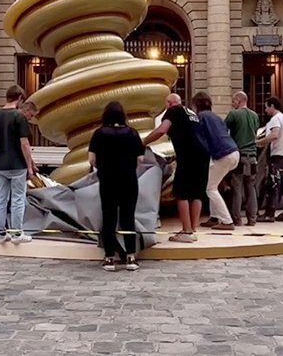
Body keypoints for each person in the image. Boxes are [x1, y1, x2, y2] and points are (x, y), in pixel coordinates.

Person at [88, 101, 145, 272]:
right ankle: (130, 257)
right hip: (128, 179)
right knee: (128, 217)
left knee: (109, 217)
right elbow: (140, 159)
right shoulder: (133, 133)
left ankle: (109, 257)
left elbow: (91, 159)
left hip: (107, 180)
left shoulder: (98, 134)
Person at [145, 93, 209, 243]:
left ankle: (186, 231)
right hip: (204, 154)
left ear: (168, 103)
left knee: (181, 192)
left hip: (188, 155)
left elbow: (162, 129)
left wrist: (143, 142)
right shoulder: (191, 113)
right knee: (197, 193)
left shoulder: (173, 110)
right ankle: (192, 229)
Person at [0, 85, 38, 244]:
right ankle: (17, 234)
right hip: (17, 165)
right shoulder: (19, 117)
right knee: (17, 199)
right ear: (20, 98)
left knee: (0, 199)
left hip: (0, 166)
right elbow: (24, 144)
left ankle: (1, 234)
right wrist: (29, 166)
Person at [191, 91, 239, 231]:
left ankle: (227, 221)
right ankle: (214, 217)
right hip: (233, 152)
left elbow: (200, 141)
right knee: (213, 185)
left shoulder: (200, 117)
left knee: (210, 188)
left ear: (196, 105)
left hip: (222, 154)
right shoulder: (216, 117)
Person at [258, 97, 283, 222]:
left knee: (273, 184)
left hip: (279, 155)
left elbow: (274, 135)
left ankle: (269, 213)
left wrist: (258, 142)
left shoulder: (275, 119)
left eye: (266, 107)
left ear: (272, 106)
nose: (265, 110)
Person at [225, 91, 259, 226]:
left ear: (239, 100)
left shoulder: (233, 114)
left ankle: (236, 218)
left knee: (237, 188)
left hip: (240, 156)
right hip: (253, 157)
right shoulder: (254, 115)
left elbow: (223, 129)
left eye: (233, 100)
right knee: (251, 188)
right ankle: (252, 219)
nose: (232, 103)